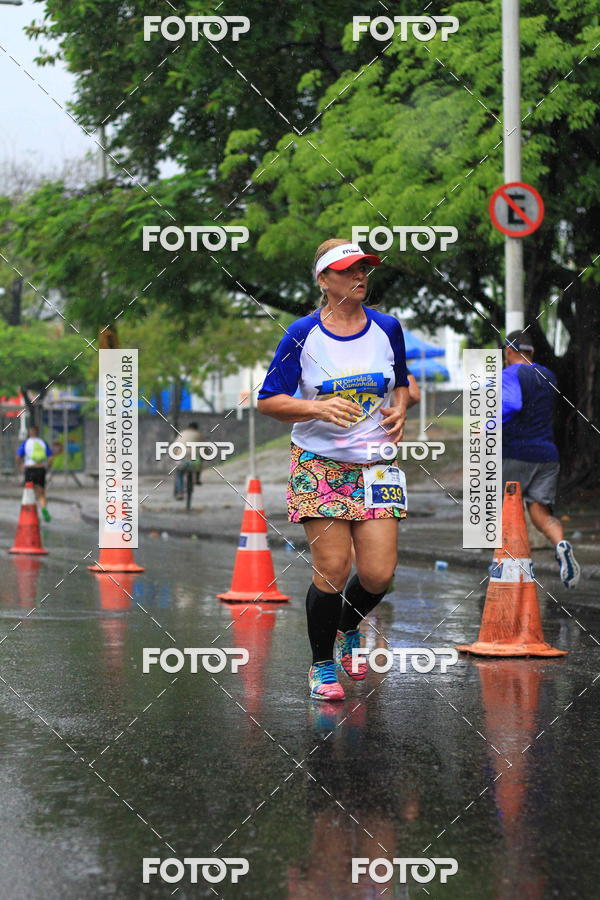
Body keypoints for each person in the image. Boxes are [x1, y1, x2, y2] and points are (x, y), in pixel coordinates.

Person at [257, 238, 410, 701]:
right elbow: (269, 401)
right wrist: (316, 410)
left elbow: (400, 383)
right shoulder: (302, 334)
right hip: (320, 464)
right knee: (333, 567)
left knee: (379, 573)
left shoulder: (388, 328)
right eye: (347, 271)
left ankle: (347, 629)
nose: (359, 277)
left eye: (364, 269)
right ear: (324, 280)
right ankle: (321, 664)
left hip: (376, 466)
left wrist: (400, 409)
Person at [502, 330, 580, 588]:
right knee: (540, 513)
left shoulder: (510, 373)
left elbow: (512, 405)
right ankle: (561, 545)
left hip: (517, 453)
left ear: (509, 351)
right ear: (532, 352)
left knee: (508, 510)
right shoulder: (549, 376)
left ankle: (513, 565)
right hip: (547, 455)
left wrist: (487, 423)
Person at [16, 424, 53, 522]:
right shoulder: (43, 443)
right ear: (38, 432)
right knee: (41, 493)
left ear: (30, 432)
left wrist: (20, 466)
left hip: (30, 469)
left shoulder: (26, 443)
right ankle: (44, 509)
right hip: (41, 469)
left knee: (29, 493)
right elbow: (50, 458)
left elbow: (18, 457)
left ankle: (30, 515)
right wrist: (47, 468)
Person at [170, 422, 203, 500]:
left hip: (182, 460)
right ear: (196, 428)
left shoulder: (182, 434)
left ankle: (180, 493)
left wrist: (175, 455)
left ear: (188, 427)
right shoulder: (199, 435)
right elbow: (205, 449)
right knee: (199, 462)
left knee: (179, 474)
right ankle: (197, 479)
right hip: (195, 462)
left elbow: (175, 447)